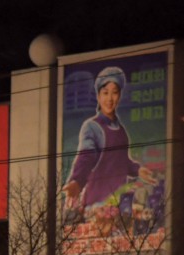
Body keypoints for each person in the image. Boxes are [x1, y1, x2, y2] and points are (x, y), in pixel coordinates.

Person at [63, 66, 157, 217]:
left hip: (118, 205)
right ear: (98, 95)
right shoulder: (92, 126)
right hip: (96, 206)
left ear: (119, 95)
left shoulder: (121, 130)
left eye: (115, 92)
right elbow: (86, 157)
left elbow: (120, 162)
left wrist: (137, 170)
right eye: (105, 92)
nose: (110, 98)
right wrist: (77, 181)